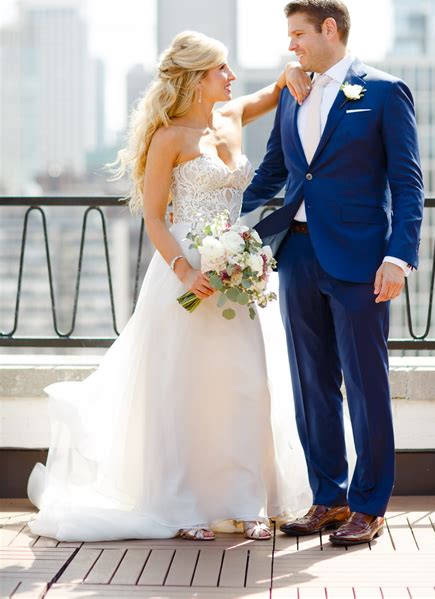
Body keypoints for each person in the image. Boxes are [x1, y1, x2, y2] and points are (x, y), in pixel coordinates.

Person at [26, 30, 313, 542]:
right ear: (197, 78)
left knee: (245, 385)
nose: (230, 77)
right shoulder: (168, 138)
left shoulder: (230, 116)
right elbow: (155, 218)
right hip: (184, 272)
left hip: (237, 273)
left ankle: (247, 501)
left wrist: (292, 72)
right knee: (185, 389)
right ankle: (184, 506)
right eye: (220, 69)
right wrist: (185, 269)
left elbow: (277, 90)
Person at [242, 0, 424, 545]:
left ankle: (370, 505)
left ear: (329, 29)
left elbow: (407, 184)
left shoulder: (386, 92)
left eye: (297, 34)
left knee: (366, 384)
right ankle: (329, 498)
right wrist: (228, 222)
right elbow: (276, 171)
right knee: (311, 383)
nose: (290, 45)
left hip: (362, 263)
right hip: (297, 257)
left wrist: (398, 256)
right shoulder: (293, 94)